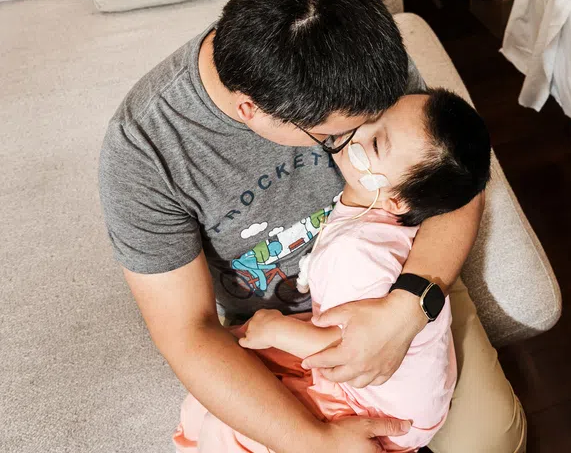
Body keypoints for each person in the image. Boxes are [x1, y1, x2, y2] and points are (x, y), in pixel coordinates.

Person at [98, 0, 484, 453]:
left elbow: (455, 180)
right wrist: (317, 442)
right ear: (251, 111)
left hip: (411, 274)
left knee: (490, 439)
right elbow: (186, 332)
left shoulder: (357, 55)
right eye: (336, 136)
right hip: (282, 330)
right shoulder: (144, 150)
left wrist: (409, 307)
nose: (357, 138)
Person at [174, 89, 492, 452]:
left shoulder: (356, 255)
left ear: (395, 199)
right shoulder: (388, 215)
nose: (359, 129)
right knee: (220, 384)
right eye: (376, 114)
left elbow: (347, 349)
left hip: (377, 408)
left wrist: (276, 329)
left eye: (375, 144)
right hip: (395, 378)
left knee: (225, 431)